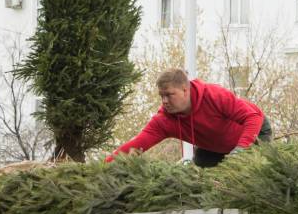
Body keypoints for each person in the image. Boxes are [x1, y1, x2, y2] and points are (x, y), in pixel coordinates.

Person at [110, 68, 271, 168]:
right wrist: (102, 167)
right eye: (161, 96)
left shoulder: (214, 96)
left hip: (255, 130)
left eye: (169, 95)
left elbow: (253, 117)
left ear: (185, 90)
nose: (164, 101)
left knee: (249, 170)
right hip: (215, 145)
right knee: (201, 165)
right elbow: (135, 146)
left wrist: (241, 149)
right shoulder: (164, 121)